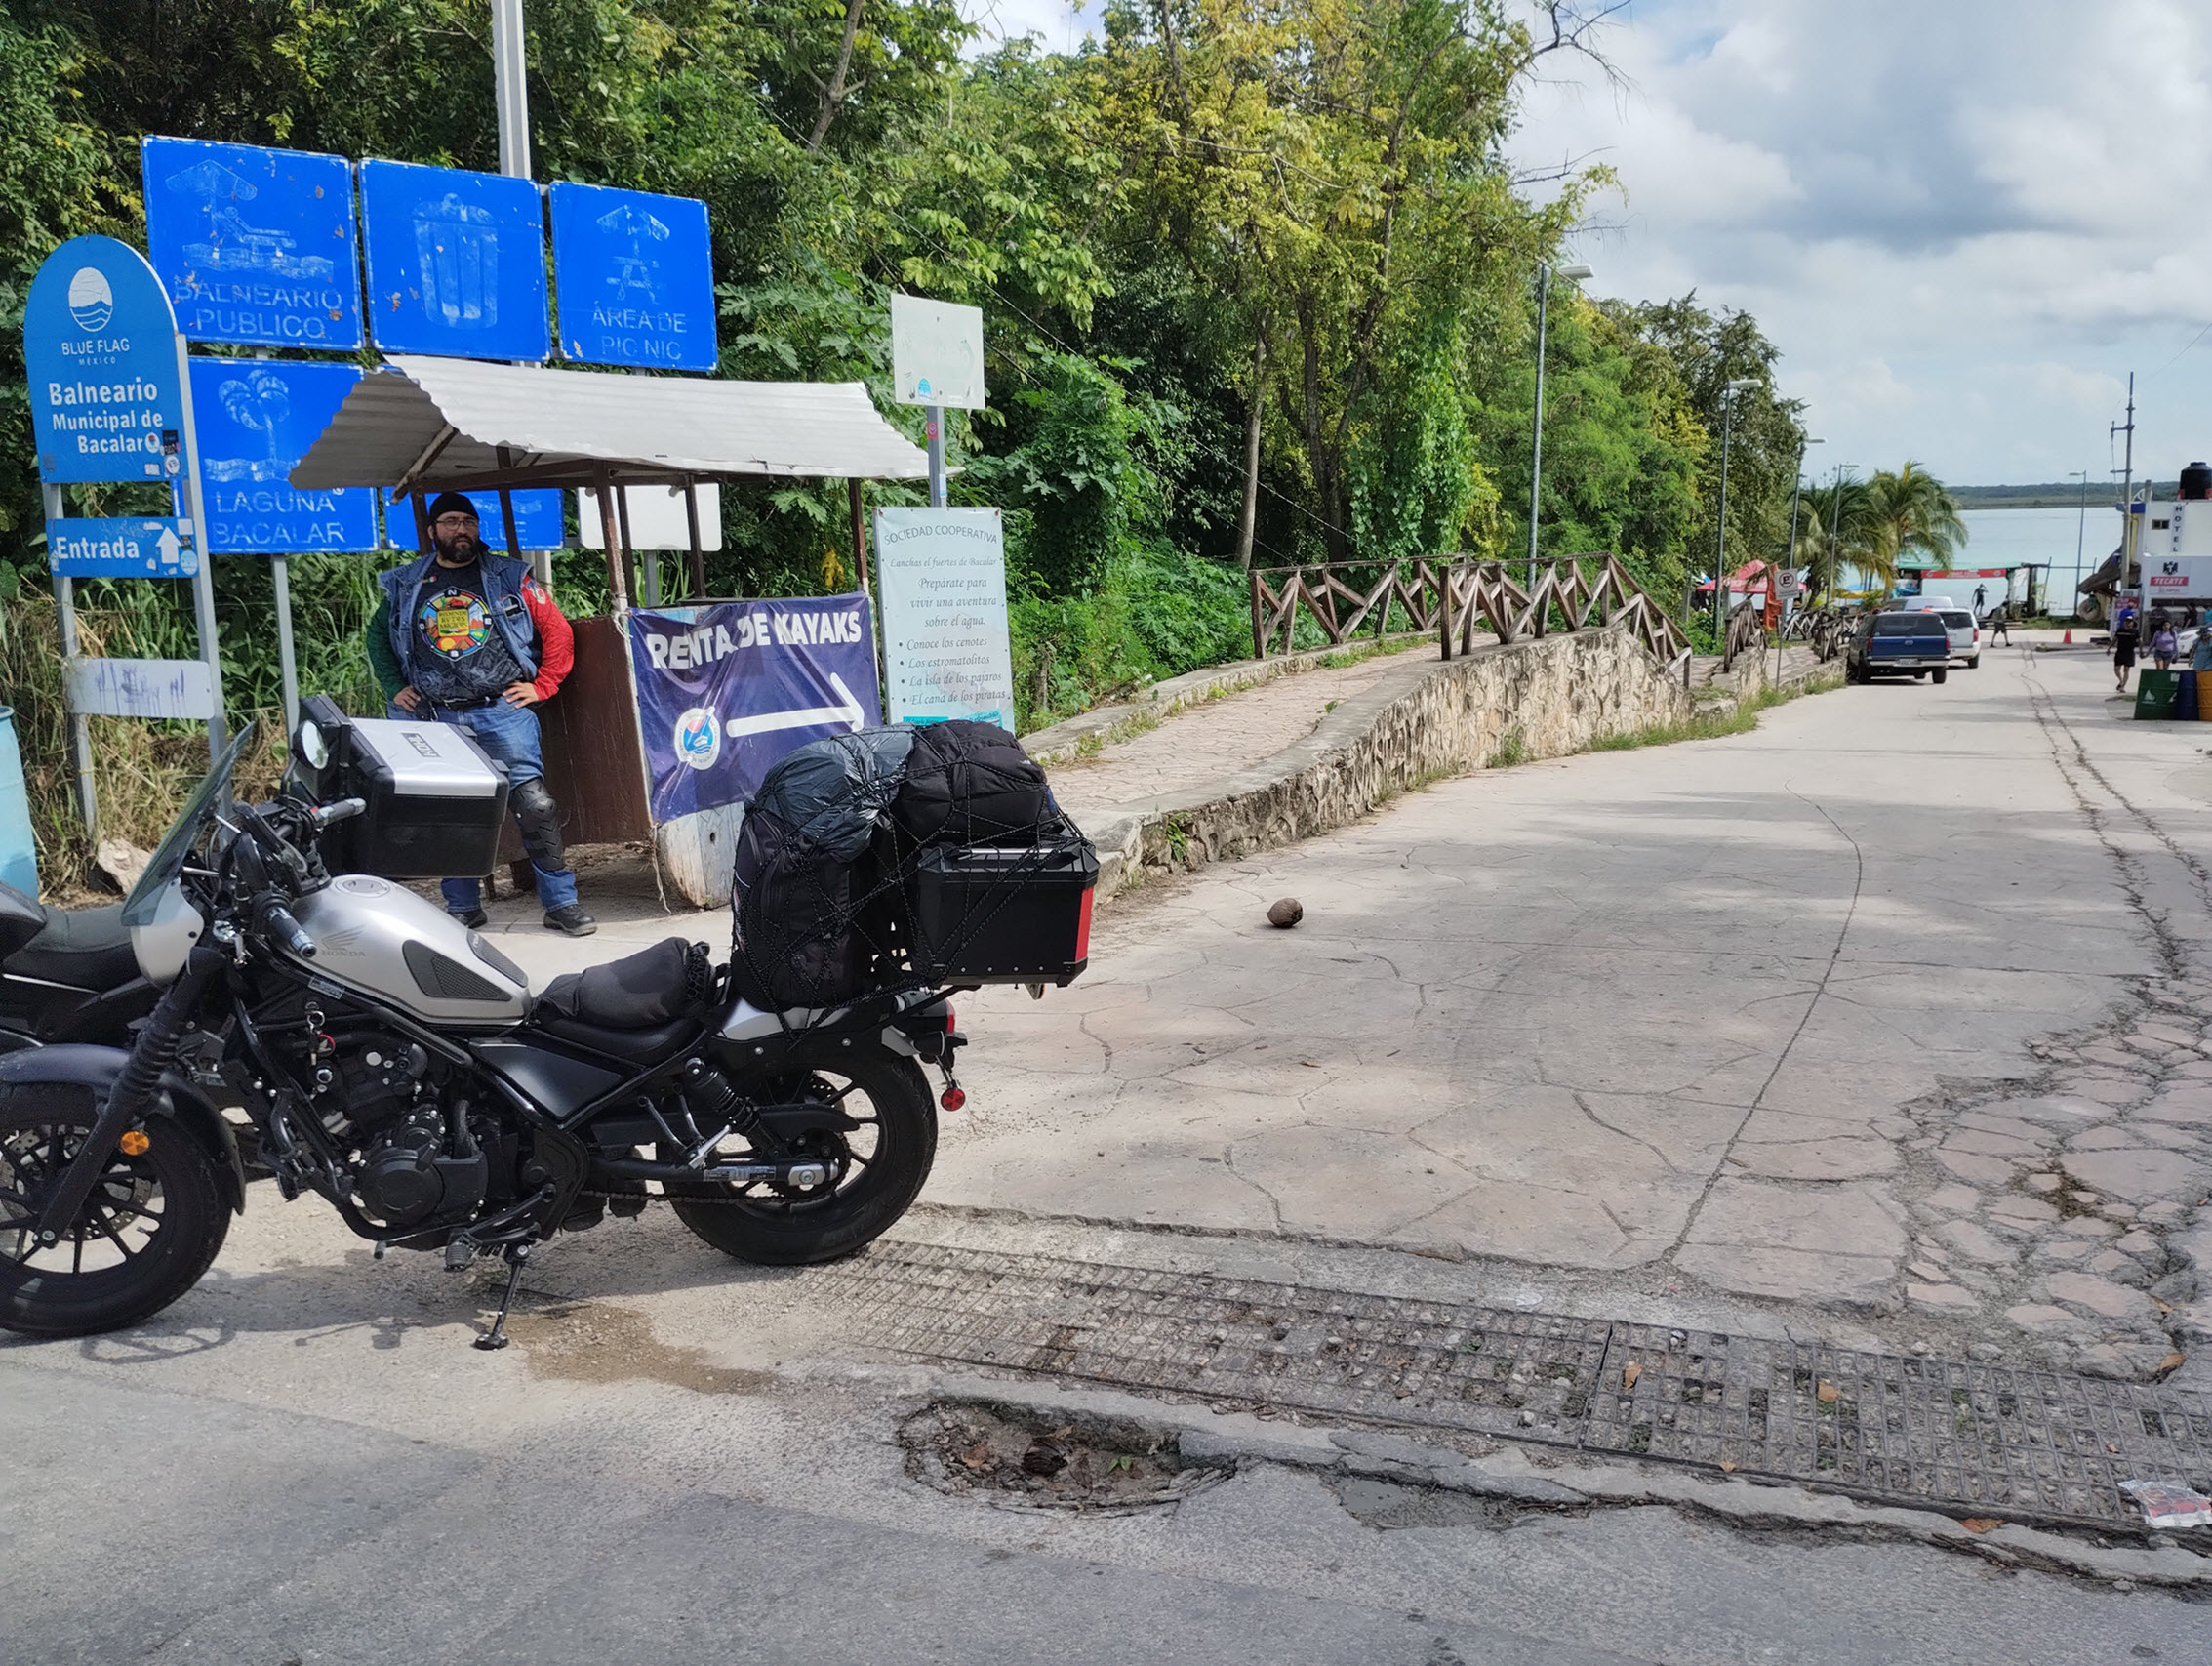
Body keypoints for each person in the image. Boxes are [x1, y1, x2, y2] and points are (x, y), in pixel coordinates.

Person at [366, 492, 596, 936]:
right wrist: (396, 688)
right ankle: (462, 908)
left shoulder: (511, 578)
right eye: (450, 521)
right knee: (451, 811)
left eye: (468, 521)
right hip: (435, 717)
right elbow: (377, 639)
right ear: (433, 531)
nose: (461, 530)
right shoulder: (405, 584)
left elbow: (557, 630)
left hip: (502, 711)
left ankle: (561, 904)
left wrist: (544, 685)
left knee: (534, 807)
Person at [2112, 603, 2140, 692]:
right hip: (2120, 651)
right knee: (2117, 669)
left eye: (2130, 622)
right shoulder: (2120, 630)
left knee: (2126, 670)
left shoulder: (2135, 631)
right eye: (2127, 621)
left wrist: (2141, 649)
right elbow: (2115, 639)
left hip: (2129, 652)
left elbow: (2140, 640)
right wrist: (2109, 648)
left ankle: (2123, 686)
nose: (2128, 623)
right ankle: (2121, 681)